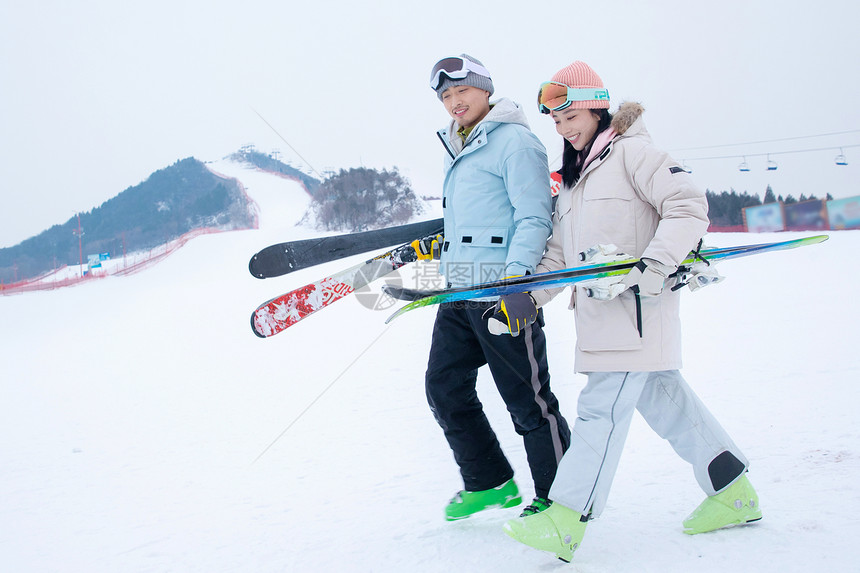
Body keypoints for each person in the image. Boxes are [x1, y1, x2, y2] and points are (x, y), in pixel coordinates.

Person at [499, 61, 761, 562]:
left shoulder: (634, 153)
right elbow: (560, 255)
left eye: (570, 115)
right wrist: (528, 297)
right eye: (555, 121)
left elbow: (688, 206)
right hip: (604, 319)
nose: (564, 128)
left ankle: (566, 518)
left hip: (636, 314)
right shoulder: (576, 179)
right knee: (668, 404)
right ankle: (733, 492)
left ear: (599, 107)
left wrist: (655, 266)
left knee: (600, 412)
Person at [419, 54, 571, 521]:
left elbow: (533, 217)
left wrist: (515, 282)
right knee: (443, 387)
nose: (454, 101)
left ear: (485, 90)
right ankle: (488, 481)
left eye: (462, 91)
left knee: (528, 401)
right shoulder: (458, 146)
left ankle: (563, 497)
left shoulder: (515, 142)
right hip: (461, 290)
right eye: (446, 95)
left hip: (503, 293)